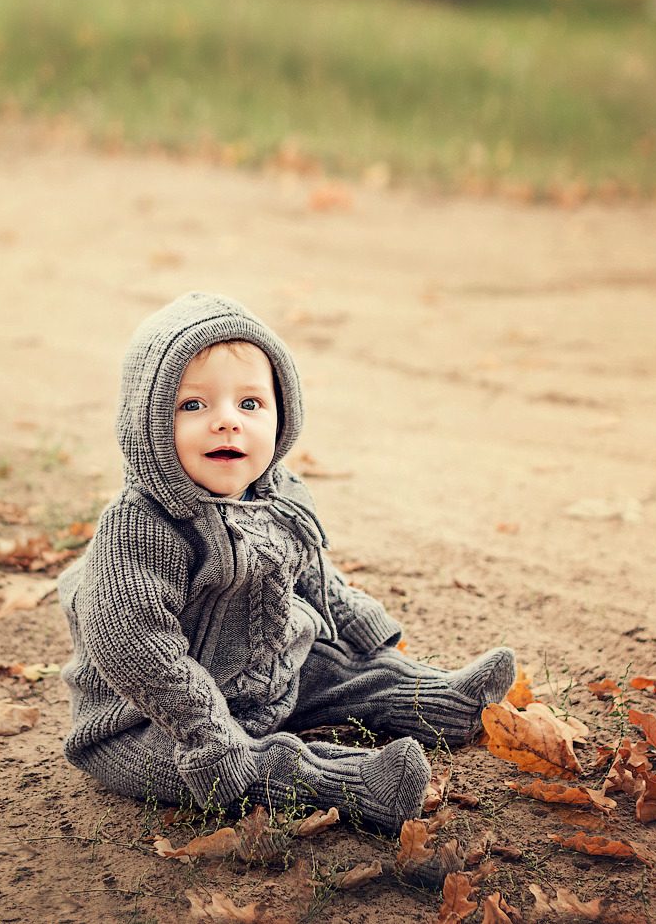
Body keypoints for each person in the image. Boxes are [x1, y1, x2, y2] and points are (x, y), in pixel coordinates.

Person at [57, 291, 515, 832]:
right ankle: (354, 784)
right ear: (147, 424)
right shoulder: (141, 526)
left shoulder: (278, 493)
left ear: (282, 415)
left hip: (259, 675)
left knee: (340, 669)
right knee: (225, 769)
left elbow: (309, 569)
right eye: (193, 405)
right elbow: (135, 648)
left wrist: (353, 618)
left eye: (249, 404)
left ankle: (439, 700)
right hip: (151, 716)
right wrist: (209, 733)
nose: (227, 423)